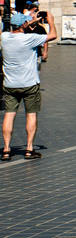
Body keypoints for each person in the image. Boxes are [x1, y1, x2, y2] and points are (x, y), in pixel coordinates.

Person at [2, 9, 56, 161]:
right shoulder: (30, 38)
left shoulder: (4, 37)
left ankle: (6, 149)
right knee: (31, 115)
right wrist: (50, 21)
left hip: (10, 84)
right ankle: (29, 149)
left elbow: (16, 29)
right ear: (24, 25)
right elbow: (53, 36)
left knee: (9, 115)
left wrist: (29, 22)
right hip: (29, 83)